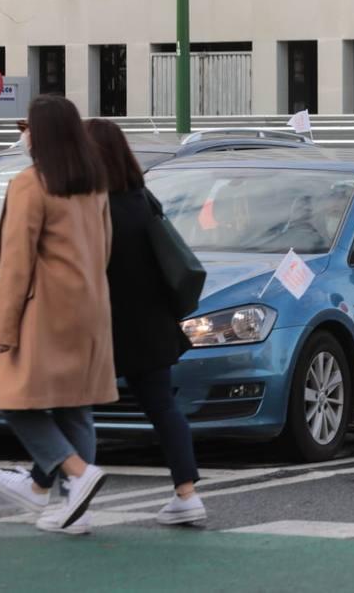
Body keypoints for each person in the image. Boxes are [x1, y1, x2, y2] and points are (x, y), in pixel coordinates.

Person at [0, 96, 113, 535]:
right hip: (88, 307)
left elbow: (15, 262)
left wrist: (2, 327)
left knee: (8, 396)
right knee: (76, 406)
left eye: (27, 126)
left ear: (42, 133)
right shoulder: (93, 184)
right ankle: (73, 506)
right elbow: (105, 248)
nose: (23, 133)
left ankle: (74, 471)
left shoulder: (30, 184)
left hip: (42, 311)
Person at [92, 119, 209, 524]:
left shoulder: (95, 205)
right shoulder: (143, 199)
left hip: (106, 323)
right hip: (153, 322)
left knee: (71, 407)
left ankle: (64, 491)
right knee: (163, 408)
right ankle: (187, 493)